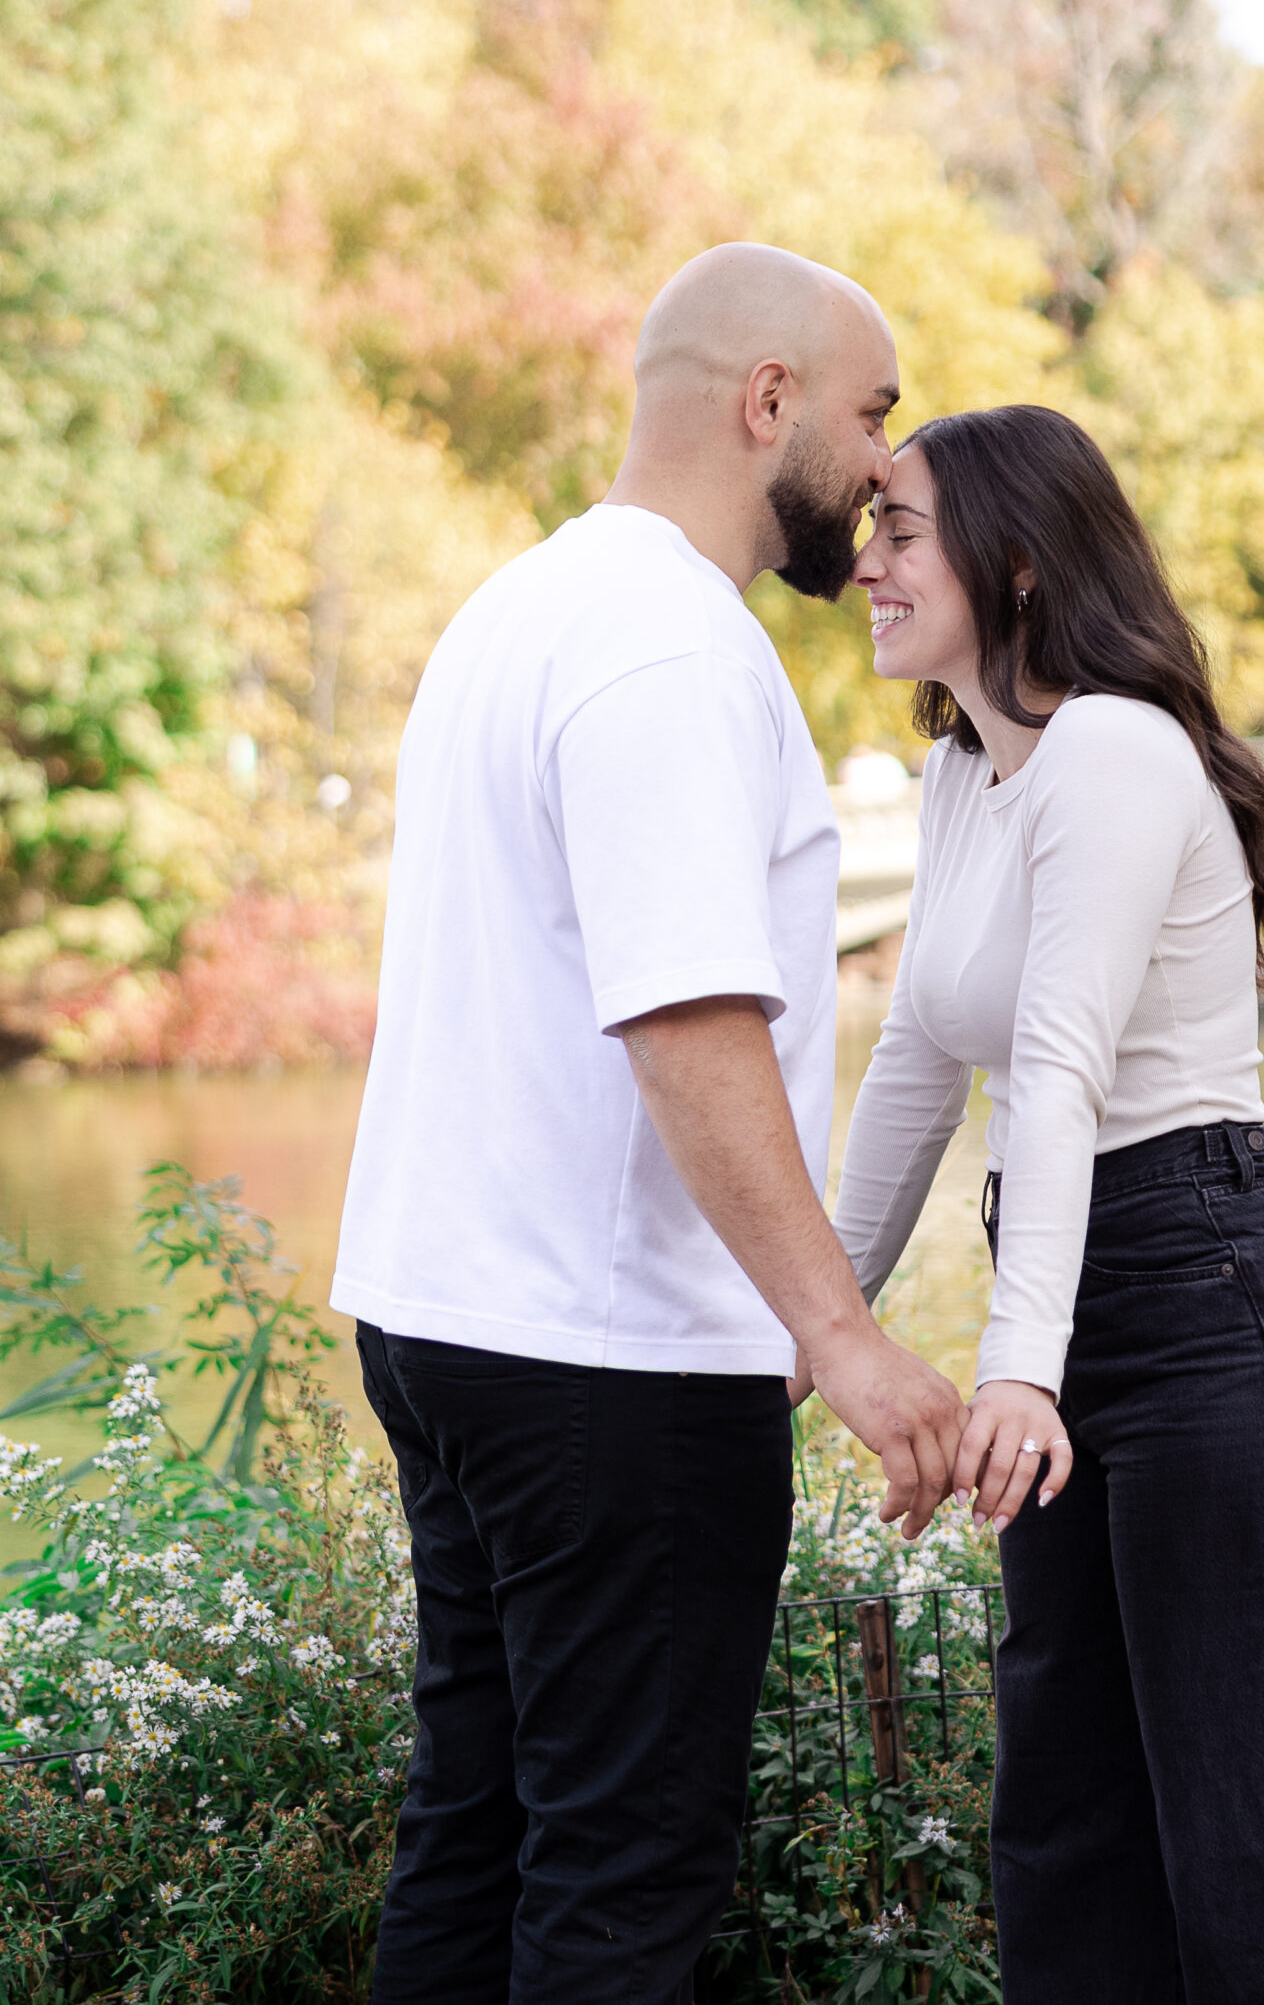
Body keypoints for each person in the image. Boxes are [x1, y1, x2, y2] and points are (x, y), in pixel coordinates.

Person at [331, 243, 967, 2005]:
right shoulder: (674, 647)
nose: (886, 467)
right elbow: (684, 1022)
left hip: (447, 1318)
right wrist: (837, 1333)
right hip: (601, 1369)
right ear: (766, 402)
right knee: (620, 1876)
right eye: (871, 415)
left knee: (475, 1832)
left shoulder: (515, 609)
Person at [831, 404, 1264, 2004]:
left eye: (901, 530)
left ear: (1020, 561)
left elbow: (1055, 1068)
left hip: (1222, 1316)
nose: (867, 565)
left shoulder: (1116, 747)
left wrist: (1013, 1367)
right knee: (1071, 1854)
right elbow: (919, 1059)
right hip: (1090, 1323)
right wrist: (814, 1324)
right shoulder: (970, 772)